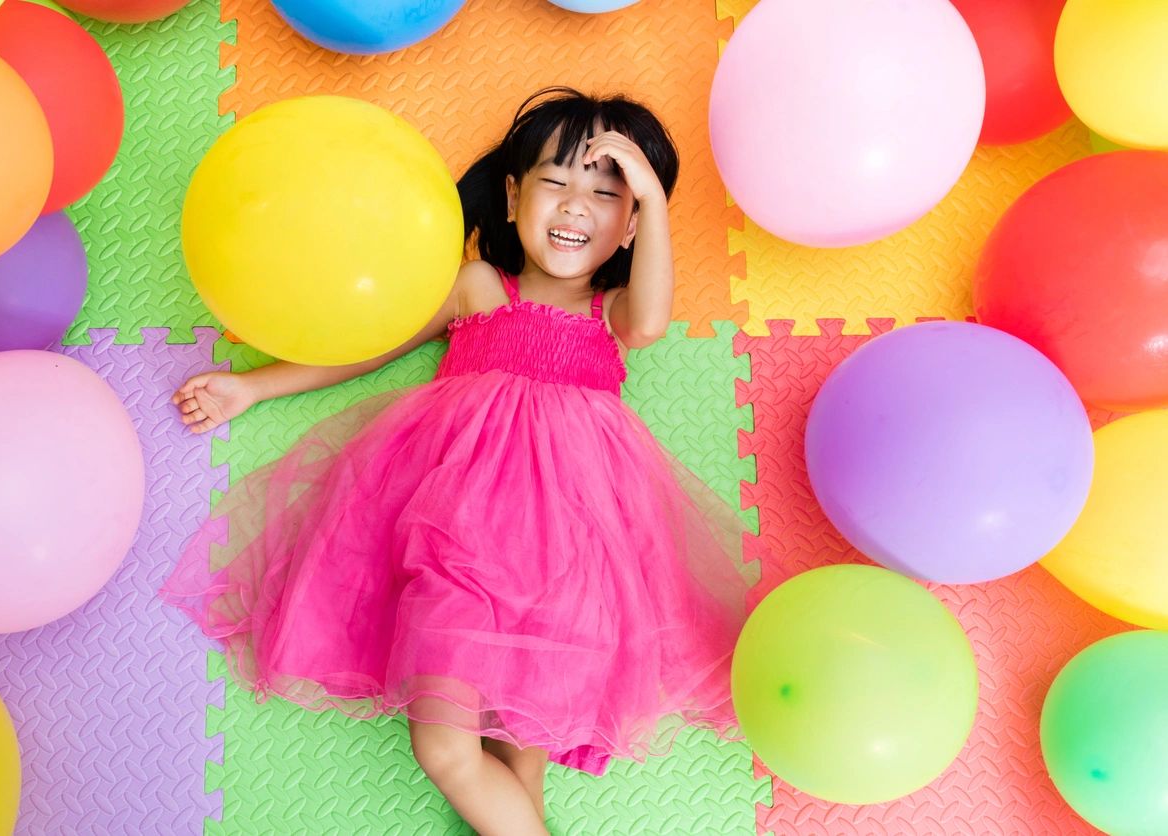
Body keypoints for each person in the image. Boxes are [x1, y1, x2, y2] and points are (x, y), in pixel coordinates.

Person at [161, 87, 759, 835]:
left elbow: (652, 320)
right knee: (446, 747)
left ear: (632, 224)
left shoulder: (610, 313)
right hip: (458, 543)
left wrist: (654, 200)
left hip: (565, 561)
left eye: (608, 195)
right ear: (511, 197)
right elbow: (371, 342)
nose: (576, 206)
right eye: (554, 182)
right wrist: (252, 386)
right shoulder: (479, 287)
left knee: (519, 761)